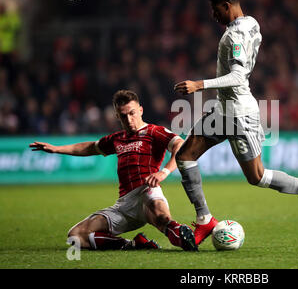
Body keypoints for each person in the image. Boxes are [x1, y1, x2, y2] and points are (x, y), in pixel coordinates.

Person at [174, 0, 298, 246]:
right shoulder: (252, 23)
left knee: (258, 177)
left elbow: (238, 76)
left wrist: (198, 85)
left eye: (215, 10)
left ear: (227, 5)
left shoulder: (233, 37)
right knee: (185, 156)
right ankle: (205, 220)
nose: (213, 16)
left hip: (239, 113)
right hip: (223, 109)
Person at [29, 90, 198, 251]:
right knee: (75, 236)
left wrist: (164, 172)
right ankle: (133, 245)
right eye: (124, 116)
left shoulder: (154, 131)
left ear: (140, 110)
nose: (129, 119)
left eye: (132, 113)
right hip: (124, 205)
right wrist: (57, 149)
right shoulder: (117, 139)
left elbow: (179, 145)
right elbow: (89, 147)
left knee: (162, 217)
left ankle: (182, 235)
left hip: (147, 192)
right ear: (118, 116)